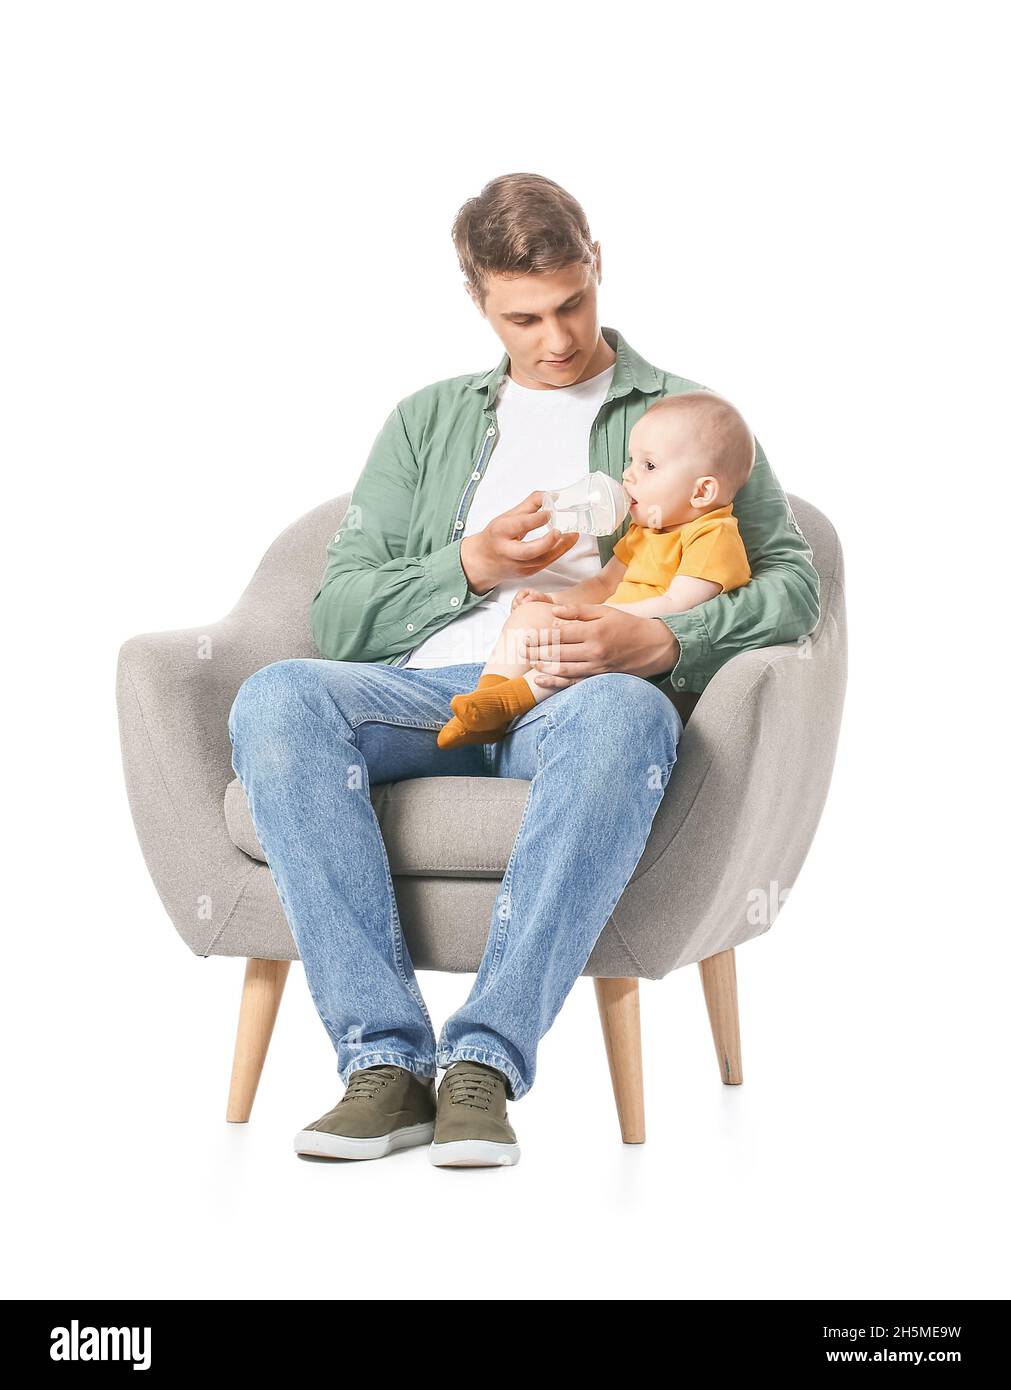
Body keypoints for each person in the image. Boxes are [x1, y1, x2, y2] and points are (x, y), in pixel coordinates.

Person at [227, 171, 820, 1170]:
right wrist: (473, 565)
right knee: (277, 696)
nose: (556, 338)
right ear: (479, 302)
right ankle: (380, 1061)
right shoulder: (426, 423)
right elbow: (336, 615)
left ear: (597, 263)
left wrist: (660, 643)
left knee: (630, 718)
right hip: (436, 695)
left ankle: (483, 1066)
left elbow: (797, 587)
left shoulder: (684, 415)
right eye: (524, 317)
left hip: (580, 704)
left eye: (573, 302)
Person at [436, 389, 755, 748]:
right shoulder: (646, 531)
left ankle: (514, 700)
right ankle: (487, 703)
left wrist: (605, 618)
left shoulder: (714, 535)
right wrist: (556, 603)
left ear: (702, 492)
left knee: (576, 649)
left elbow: (679, 603)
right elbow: (605, 583)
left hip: (640, 657)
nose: (628, 476)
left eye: (648, 466)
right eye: (631, 461)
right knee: (530, 617)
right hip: (608, 621)